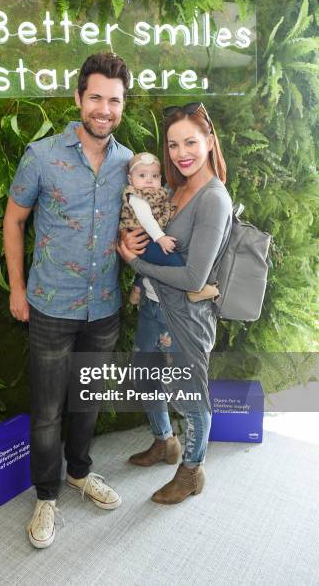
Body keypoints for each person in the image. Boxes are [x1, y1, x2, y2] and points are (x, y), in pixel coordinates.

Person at [3, 52, 133, 548]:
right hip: (51, 307)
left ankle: (80, 473)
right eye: (95, 97)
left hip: (104, 308)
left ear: (123, 106)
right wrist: (17, 289)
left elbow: (136, 225)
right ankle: (47, 496)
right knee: (47, 411)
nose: (104, 108)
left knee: (88, 403)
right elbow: (14, 221)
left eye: (114, 100)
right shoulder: (41, 156)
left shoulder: (129, 164)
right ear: (79, 98)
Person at [117, 102, 232, 505]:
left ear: (209, 141)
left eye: (190, 142)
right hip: (153, 306)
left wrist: (135, 263)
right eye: (172, 144)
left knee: (189, 394)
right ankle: (166, 443)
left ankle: (192, 471)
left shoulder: (213, 199)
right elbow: (151, 240)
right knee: (145, 376)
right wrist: (135, 251)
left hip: (186, 315)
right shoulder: (175, 189)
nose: (181, 153)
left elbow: (193, 277)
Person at [119, 151, 219, 306]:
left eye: (154, 176)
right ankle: (193, 291)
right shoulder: (136, 197)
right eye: (142, 175)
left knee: (156, 260)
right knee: (170, 257)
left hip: (149, 237)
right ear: (130, 179)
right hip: (145, 238)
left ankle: (138, 289)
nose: (149, 180)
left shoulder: (161, 192)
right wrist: (161, 238)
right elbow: (147, 220)